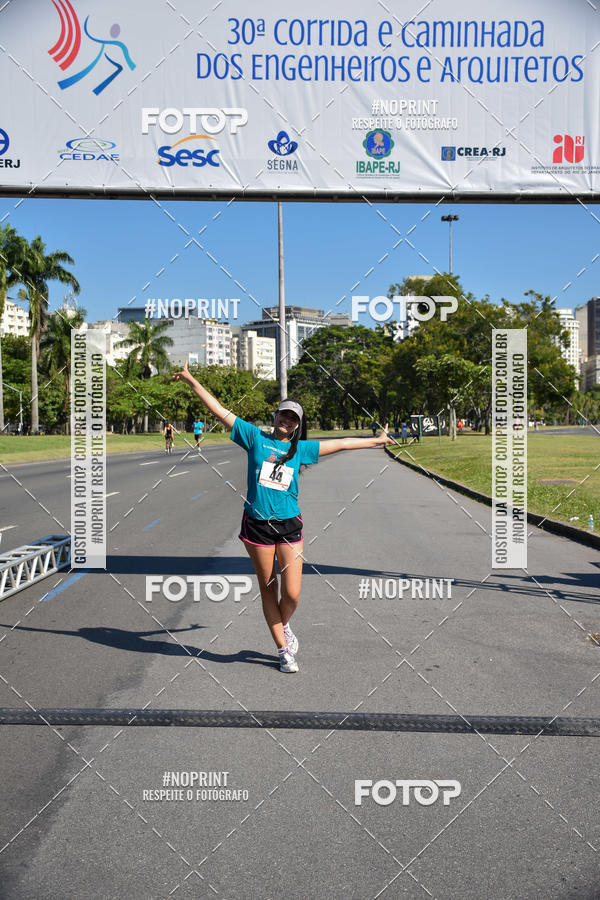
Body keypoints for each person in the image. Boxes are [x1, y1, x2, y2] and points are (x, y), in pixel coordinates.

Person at [173, 362, 392, 673]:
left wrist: (377, 441)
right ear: (275, 415)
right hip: (257, 526)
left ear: (298, 424)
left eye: (293, 418)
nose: (286, 420)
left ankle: (283, 624)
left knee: (292, 592)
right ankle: (283, 650)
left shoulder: (301, 449)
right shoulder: (253, 437)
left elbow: (343, 443)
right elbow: (219, 410)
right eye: (283, 414)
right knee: (269, 588)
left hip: (289, 524)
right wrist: (192, 380)